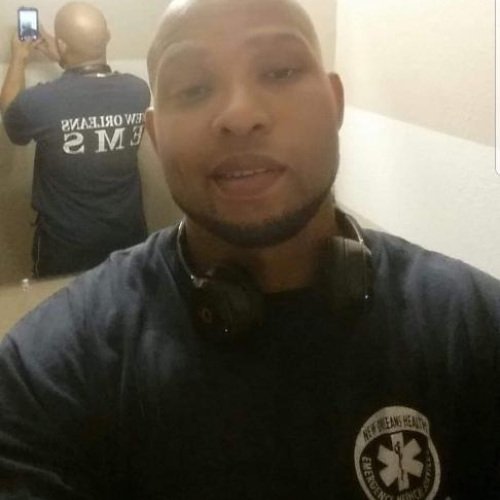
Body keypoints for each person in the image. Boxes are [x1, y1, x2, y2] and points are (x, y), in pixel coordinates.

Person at [0, 0, 499, 498]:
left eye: (280, 72)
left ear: (335, 104)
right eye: (194, 87)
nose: (239, 115)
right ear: (154, 135)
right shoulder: (43, 375)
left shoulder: (476, 329)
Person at [0, 2, 150, 278]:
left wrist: (19, 57)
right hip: (127, 246)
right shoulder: (138, 91)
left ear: (62, 44)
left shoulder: (40, 101)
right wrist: (66, 56)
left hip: (66, 252)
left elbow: (11, 115)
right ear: (108, 35)